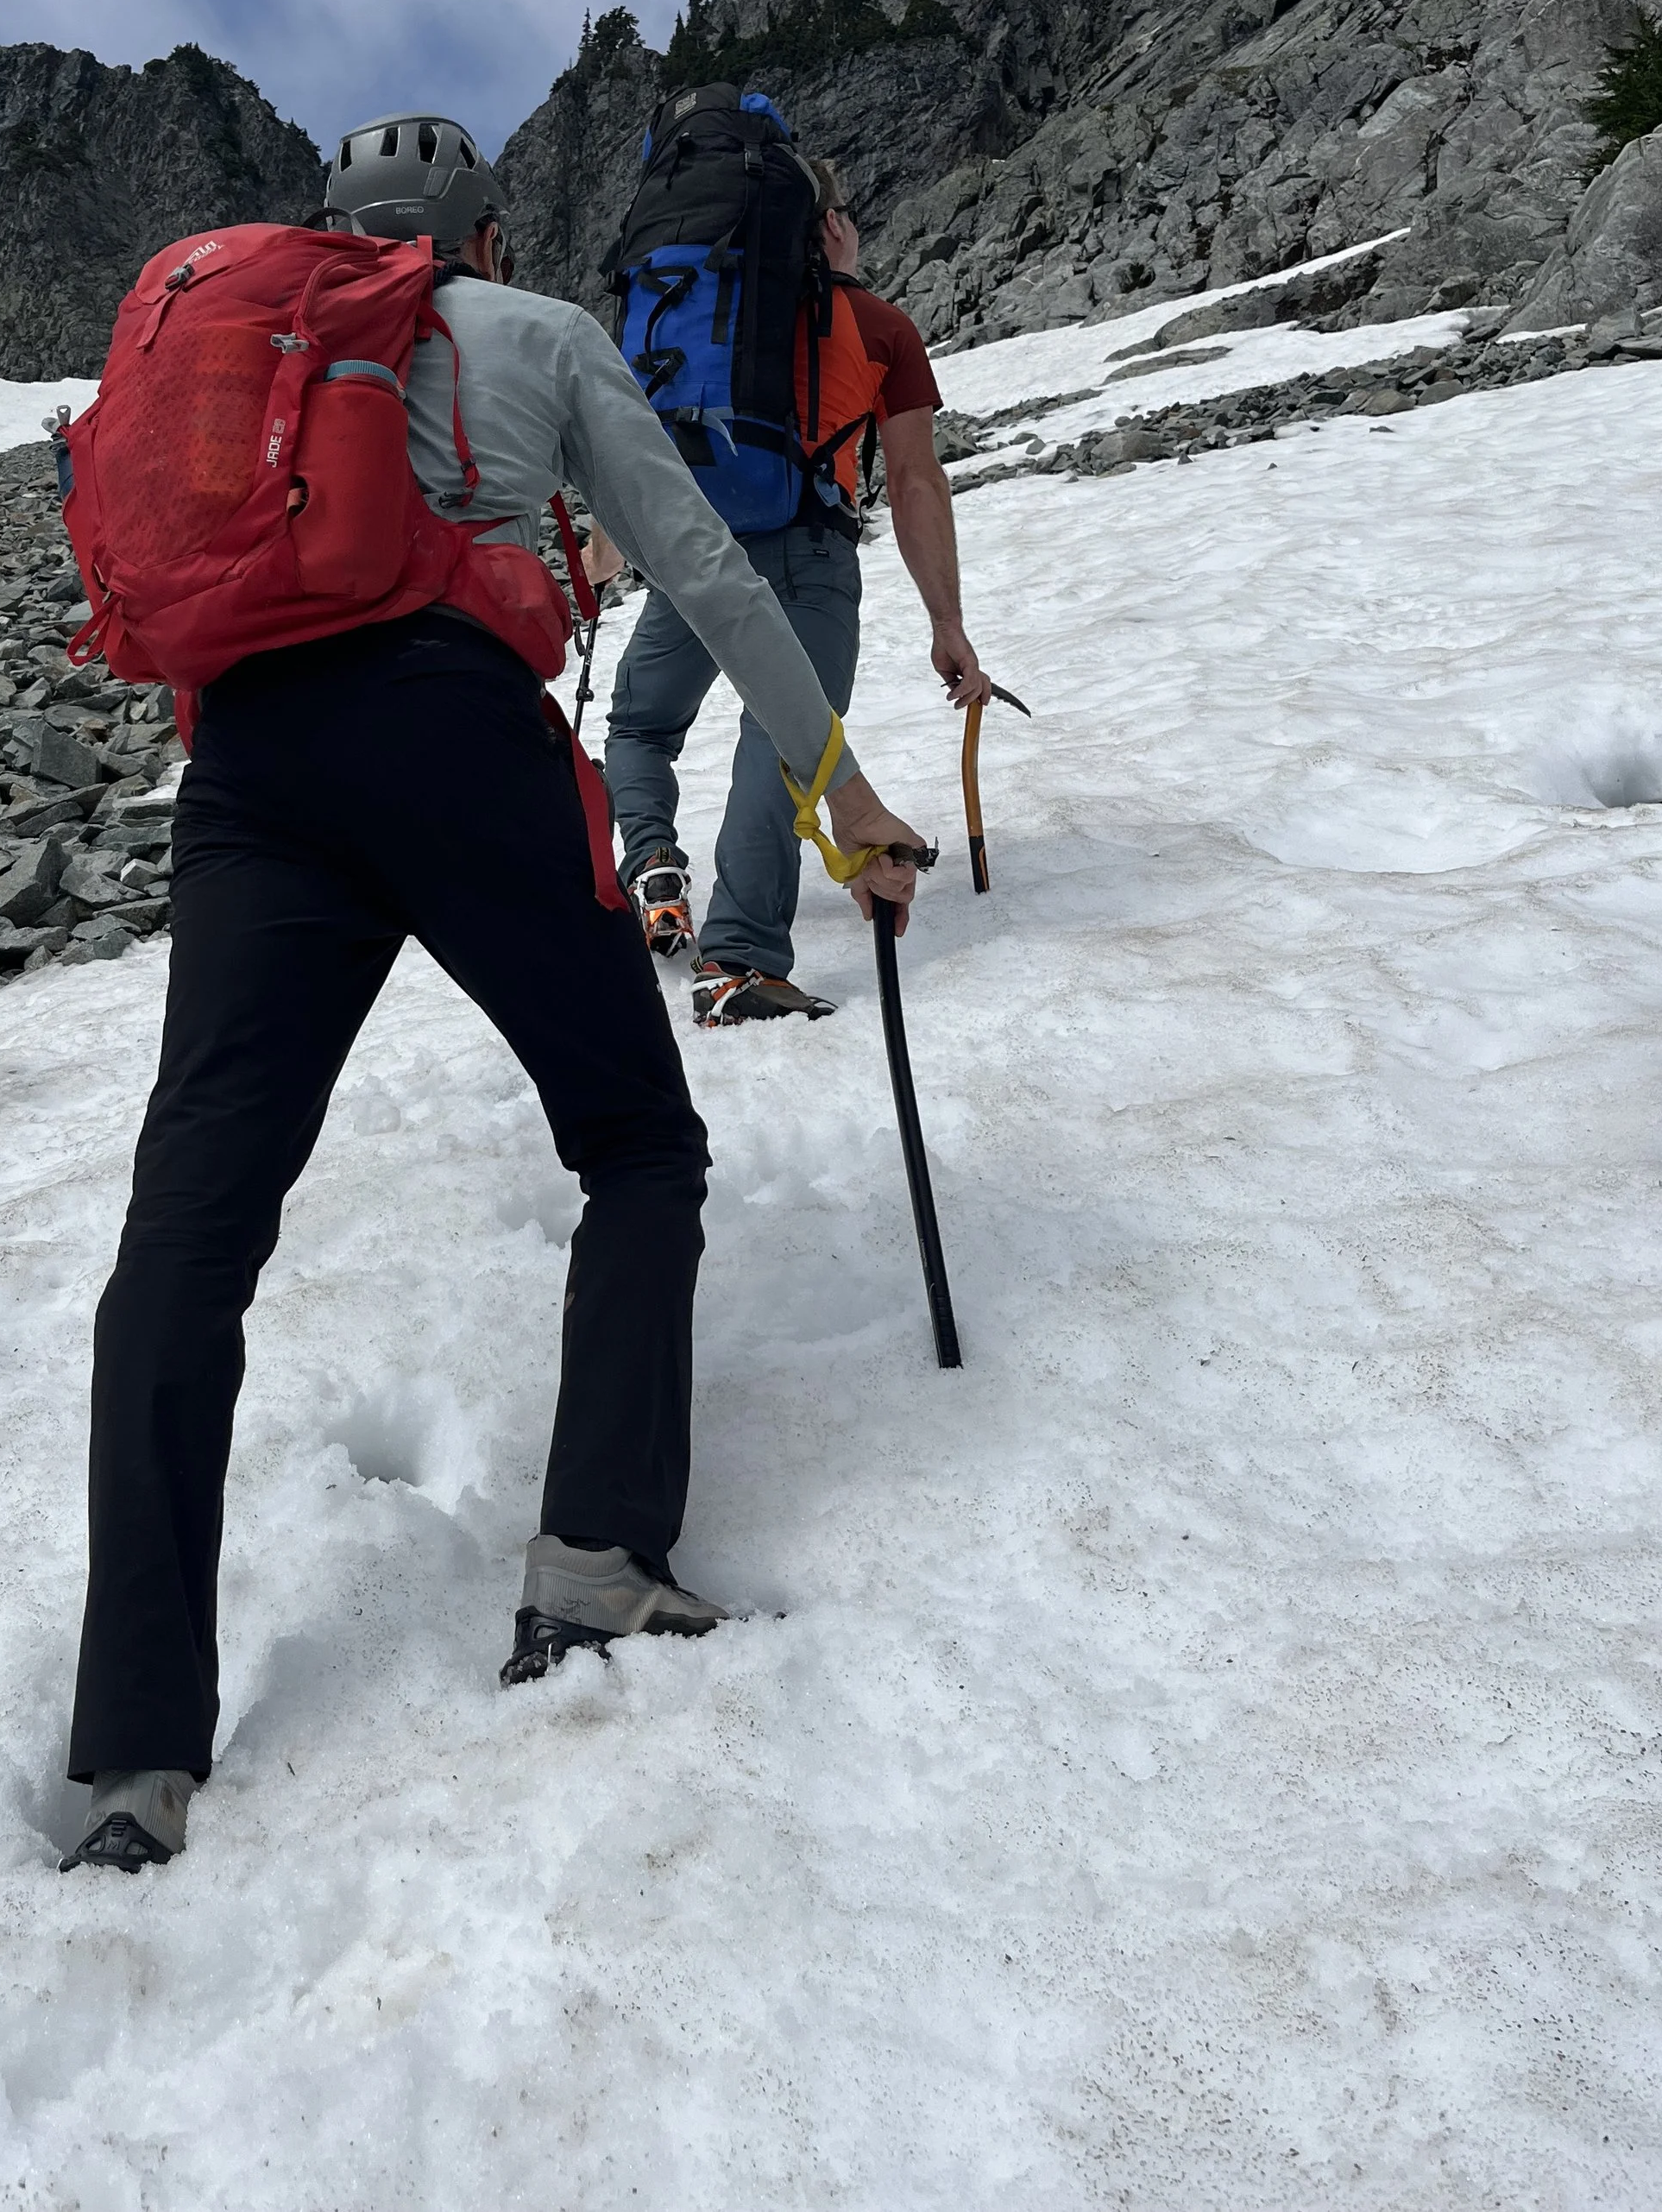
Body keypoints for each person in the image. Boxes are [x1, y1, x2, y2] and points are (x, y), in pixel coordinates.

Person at [62, 116, 927, 1874]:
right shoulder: (534, 335)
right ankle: (592, 1560)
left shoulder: (263, 357)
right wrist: (835, 787)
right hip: (455, 739)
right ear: (490, 236)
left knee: (191, 1231)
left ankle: (133, 1756)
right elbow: (698, 558)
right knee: (631, 1140)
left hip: (245, 781)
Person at [592, 156, 989, 1024]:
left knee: (640, 726)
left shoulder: (690, 319)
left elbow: (634, 452)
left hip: (692, 553)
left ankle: (652, 857)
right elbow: (917, 481)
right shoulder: (879, 327)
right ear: (830, 226)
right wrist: (946, 621)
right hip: (808, 555)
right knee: (789, 747)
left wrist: (605, 555)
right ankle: (737, 963)